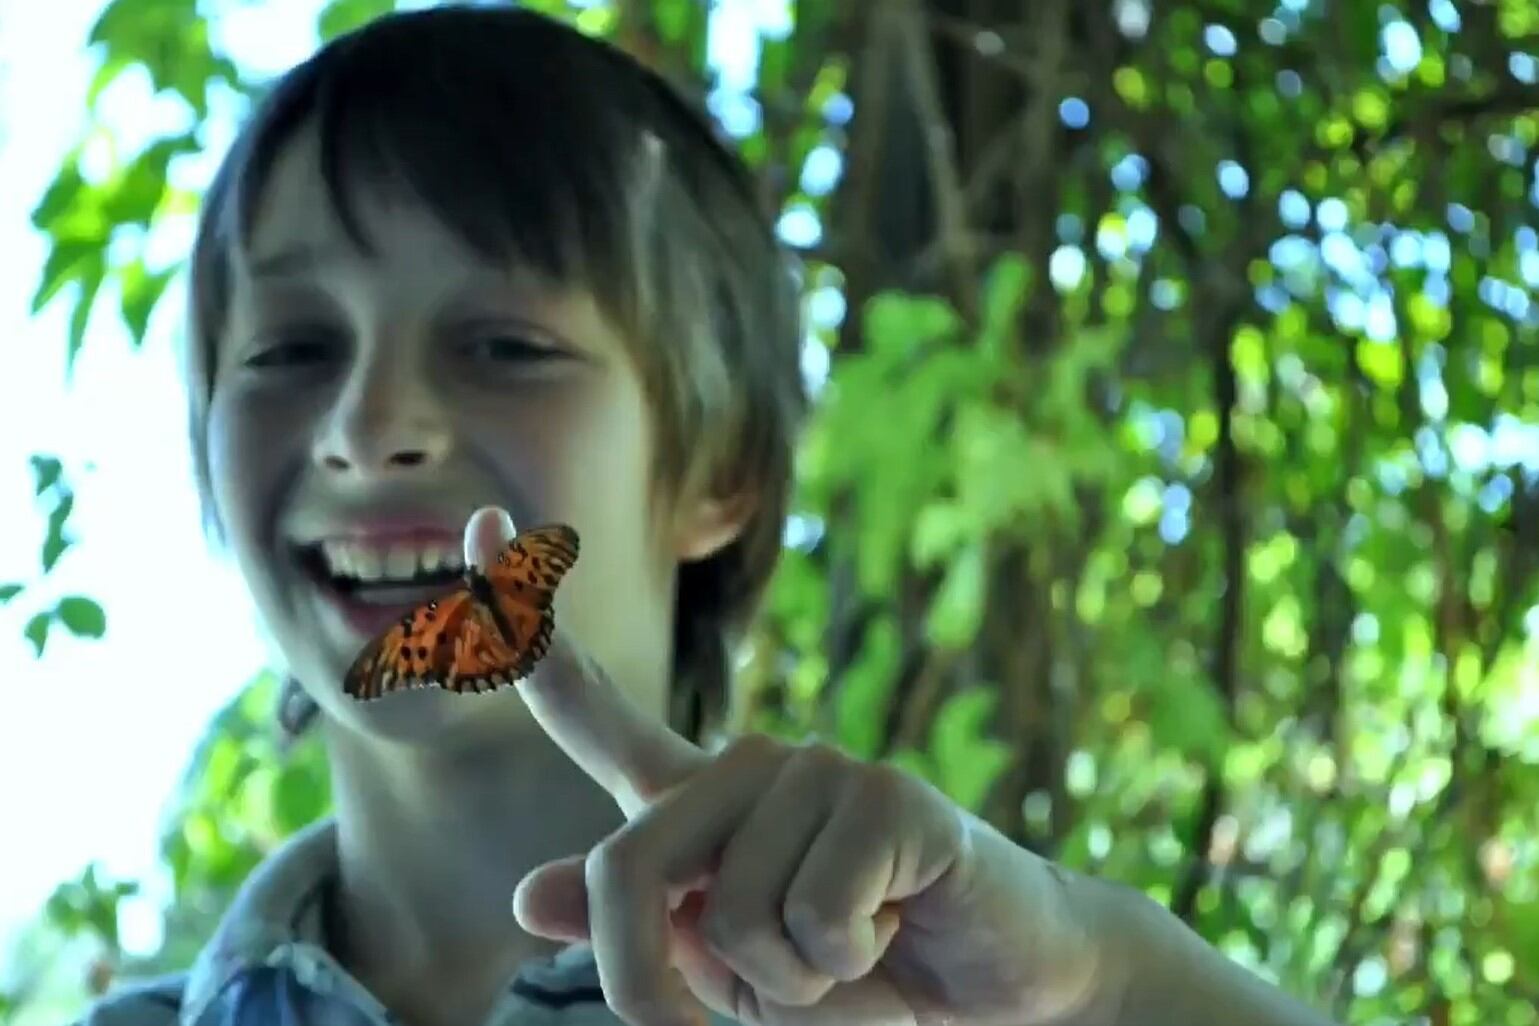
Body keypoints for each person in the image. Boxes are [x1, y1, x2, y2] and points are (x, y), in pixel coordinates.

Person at [78, 6, 1341, 1026]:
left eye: (505, 344)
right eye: (290, 346)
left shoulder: (905, 994)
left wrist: (1104, 989)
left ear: (719, 470)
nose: (368, 425)